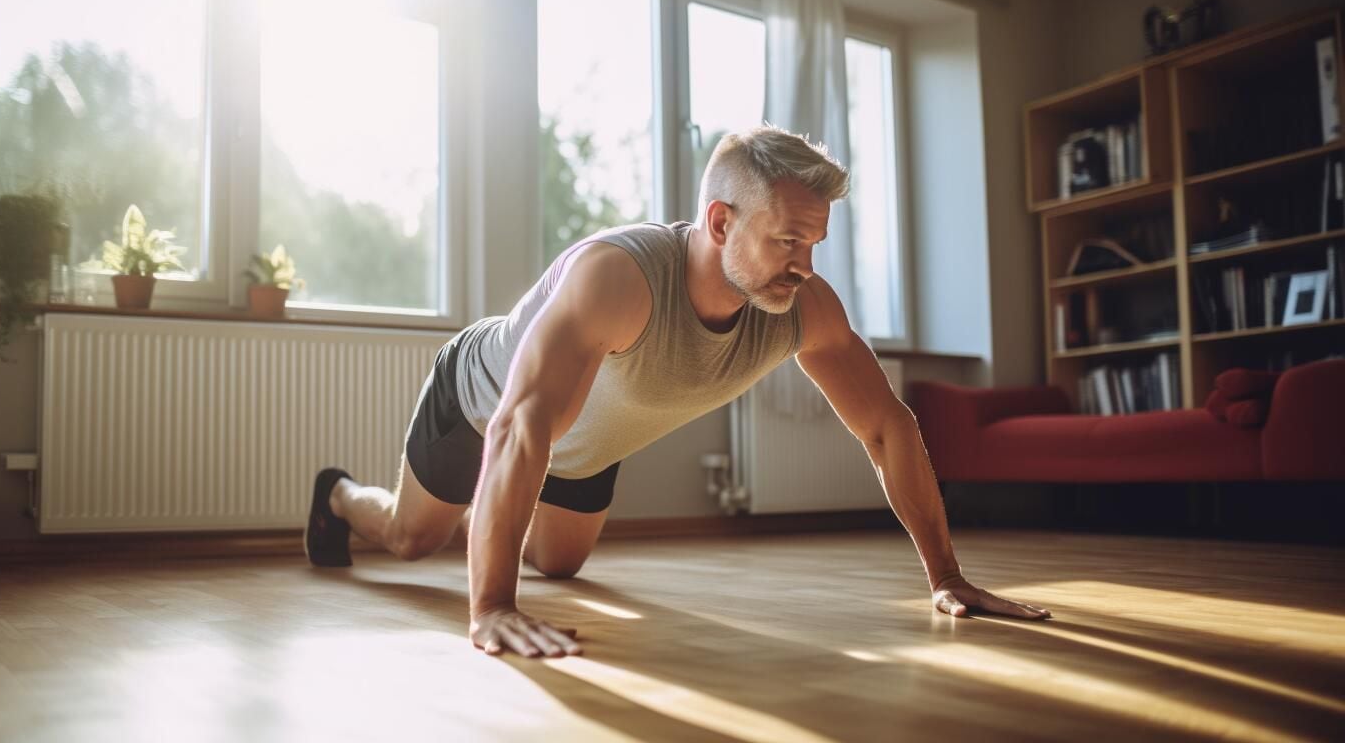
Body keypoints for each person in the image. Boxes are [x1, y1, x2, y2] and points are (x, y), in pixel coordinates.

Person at [304, 125, 1051, 659]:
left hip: (583, 445)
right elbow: (518, 424)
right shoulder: (619, 279)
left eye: (815, 243)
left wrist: (947, 576)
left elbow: (889, 427)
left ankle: (491, 519)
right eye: (787, 239)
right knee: (412, 539)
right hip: (480, 407)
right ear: (721, 221)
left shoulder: (801, 309)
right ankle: (339, 494)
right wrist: (493, 607)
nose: (804, 263)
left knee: (560, 566)